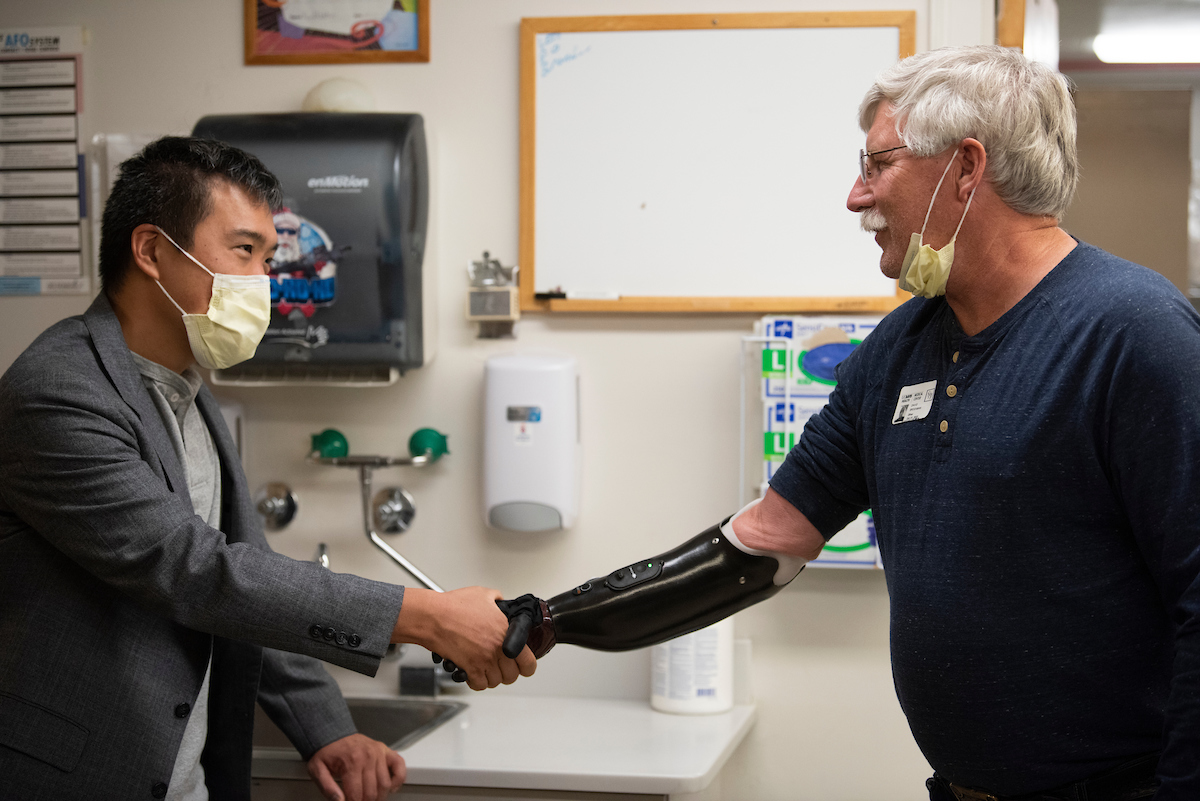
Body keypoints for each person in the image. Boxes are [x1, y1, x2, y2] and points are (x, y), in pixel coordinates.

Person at [495, 45, 1199, 800]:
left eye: (877, 165)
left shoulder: (1134, 332)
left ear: (965, 168)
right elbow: (762, 543)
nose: (855, 197)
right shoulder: (898, 350)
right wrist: (551, 618)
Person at [0, 136, 536, 801]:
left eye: (269, 257)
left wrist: (325, 727)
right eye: (245, 251)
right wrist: (424, 615)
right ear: (151, 251)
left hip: (184, 781)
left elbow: (241, 572)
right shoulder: (58, 391)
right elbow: (196, 570)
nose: (265, 280)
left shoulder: (191, 392)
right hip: (80, 774)